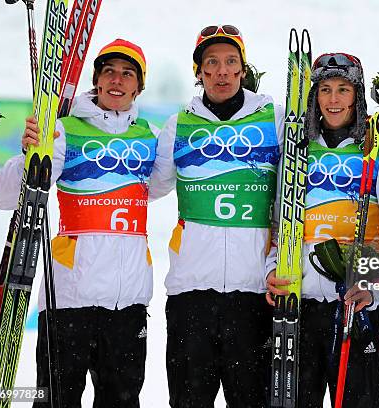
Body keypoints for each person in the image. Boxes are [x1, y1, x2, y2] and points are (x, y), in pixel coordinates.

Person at [0, 39, 159, 407]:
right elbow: (3, 196)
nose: (117, 80)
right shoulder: (65, 130)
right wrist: (27, 154)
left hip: (128, 302)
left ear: (138, 86)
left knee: (122, 401)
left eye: (127, 73)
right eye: (109, 71)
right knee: (54, 399)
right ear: (96, 80)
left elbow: (166, 185)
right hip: (69, 297)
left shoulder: (150, 138)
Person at [149, 25, 284, 408]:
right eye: (212, 63)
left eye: (230, 62)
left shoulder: (272, 119)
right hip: (191, 293)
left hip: (254, 292)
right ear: (199, 72)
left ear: (243, 70)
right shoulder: (179, 125)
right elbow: (148, 187)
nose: (221, 72)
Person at [266, 53, 379, 408]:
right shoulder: (297, 151)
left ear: (357, 95)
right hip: (302, 304)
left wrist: (377, 289)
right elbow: (279, 225)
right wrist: (273, 269)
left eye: (343, 89)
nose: (333, 99)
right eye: (325, 90)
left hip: (358, 305)